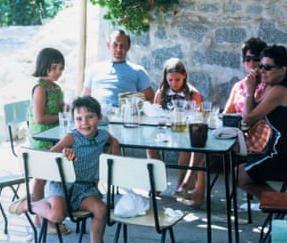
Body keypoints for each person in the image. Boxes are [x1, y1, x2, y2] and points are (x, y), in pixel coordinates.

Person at [9, 96, 121, 243]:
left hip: (85, 188)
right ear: (74, 121)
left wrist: (114, 142)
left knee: (101, 210)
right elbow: (50, 157)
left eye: (90, 117)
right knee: (57, 216)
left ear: (99, 118)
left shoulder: (103, 136)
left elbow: (110, 138)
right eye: (79, 119)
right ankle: (27, 204)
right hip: (61, 185)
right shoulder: (72, 137)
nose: (85, 123)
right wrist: (64, 154)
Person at [237, 45, 287, 200]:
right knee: (239, 172)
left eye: (267, 67)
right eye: (261, 66)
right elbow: (253, 110)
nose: (261, 70)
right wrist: (253, 89)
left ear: (282, 70)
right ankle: (285, 207)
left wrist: (249, 90)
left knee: (239, 176)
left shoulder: (280, 91)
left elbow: (248, 119)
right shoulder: (278, 85)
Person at [146, 57, 205, 208]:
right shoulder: (161, 93)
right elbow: (155, 114)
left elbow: (199, 119)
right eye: (170, 80)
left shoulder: (193, 94)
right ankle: (157, 182)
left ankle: (181, 183)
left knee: (186, 146)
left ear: (184, 75)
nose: (173, 83)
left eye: (177, 79)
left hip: (183, 131)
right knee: (150, 146)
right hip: (165, 131)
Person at [28, 47, 69, 233]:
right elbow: (39, 118)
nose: (58, 72)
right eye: (55, 67)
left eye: (61, 68)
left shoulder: (56, 88)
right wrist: (62, 115)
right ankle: (39, 214)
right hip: (42, 140)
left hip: (55, 138)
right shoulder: (40, 88)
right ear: (44, 67)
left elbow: (60, 109)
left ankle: (48, 213)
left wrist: (65, 109)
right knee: (41, 177)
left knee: (53, 176)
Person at [223, 37, 272, 153]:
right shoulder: (239, 86)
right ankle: (191, 172)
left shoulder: (268, 86)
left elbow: (249, 120)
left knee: (205, 146)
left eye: (256, 59)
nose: (251, 63)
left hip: (256, 137)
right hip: (237, 133)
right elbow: (226, 115)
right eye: (247, 59)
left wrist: (250, 88)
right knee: (199, 141)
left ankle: (193, 171)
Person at [82, 29, 154, 106]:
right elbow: (84, 98)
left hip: (123, 115)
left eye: (122, 45)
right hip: (96, 114)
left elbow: (150, 99)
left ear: (128, 47)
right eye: (115, 45)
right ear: (108, 45)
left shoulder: (138, 71)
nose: (119, 49)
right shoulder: (94, 69)